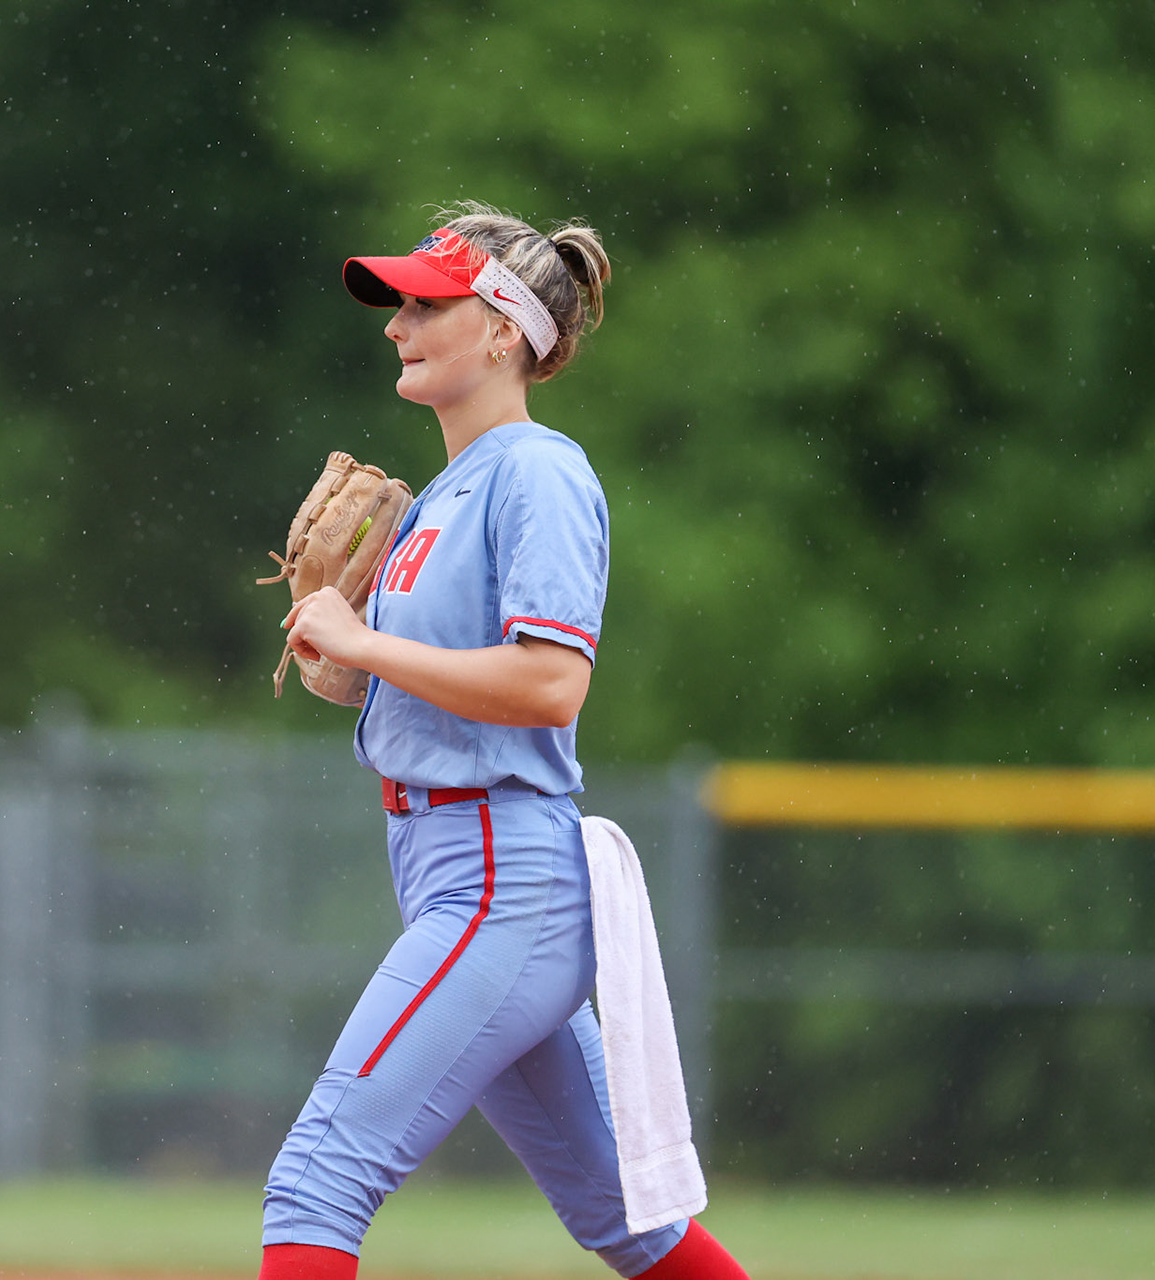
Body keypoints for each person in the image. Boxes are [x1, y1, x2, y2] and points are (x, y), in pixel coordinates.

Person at [265, 203, 749, 1280]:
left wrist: (374, 648)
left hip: (503, 875)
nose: (398, 323)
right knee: (628, 1217)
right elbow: (432, 686)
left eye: (426, 303)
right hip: (448, 866)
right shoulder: (441, 494)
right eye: (398, 304)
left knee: (317, 1176)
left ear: (500, 329)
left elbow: (549, 684)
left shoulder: (539, 470)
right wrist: (344, 661)